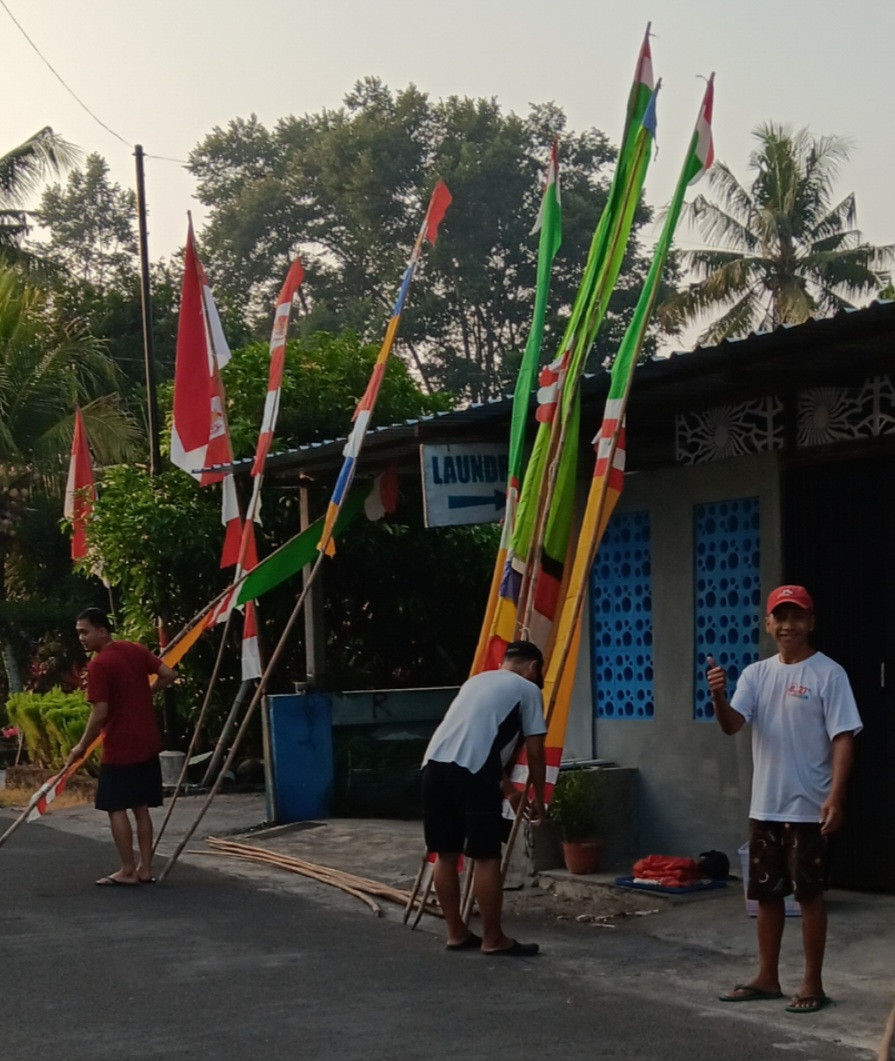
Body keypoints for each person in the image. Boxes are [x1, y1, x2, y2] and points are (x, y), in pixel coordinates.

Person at [706, 585, 862, 1014]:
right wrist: (718, 695)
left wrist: (836, 797)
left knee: (809, 894)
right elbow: (732, 725)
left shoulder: (829, 674)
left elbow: (844, 738)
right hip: (766, 806)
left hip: (809, 807)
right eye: (781, 617)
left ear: (811, 623)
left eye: (798, 617)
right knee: (767, 894)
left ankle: (812, 983)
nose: (788, 625)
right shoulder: (756, 674)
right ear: (768, 623)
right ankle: (767, 977)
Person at [421, 640, 548, 956]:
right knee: (485, 856)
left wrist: (509, 791)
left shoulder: (474, 682)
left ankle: (456, 933)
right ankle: (493, 938)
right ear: (533, 666)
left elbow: (474, 741)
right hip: (474, 773)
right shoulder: (527, 690)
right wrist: (539, 799)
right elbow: (534, 751)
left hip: (433, 767)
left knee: (446, 854)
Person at [67, 607, 176, 886]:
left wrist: (81, 746)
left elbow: (100, 712)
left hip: (120, 744)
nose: (81, 638)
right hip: (147, 741)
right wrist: (146, 693)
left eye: (85, 631)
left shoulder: (99, 665)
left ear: (102, 631)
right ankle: (145, 869)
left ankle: (127, 870)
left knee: (116, 806)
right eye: (79, 632)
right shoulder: (134, 650)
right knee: (140, 807)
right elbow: (168, 673)